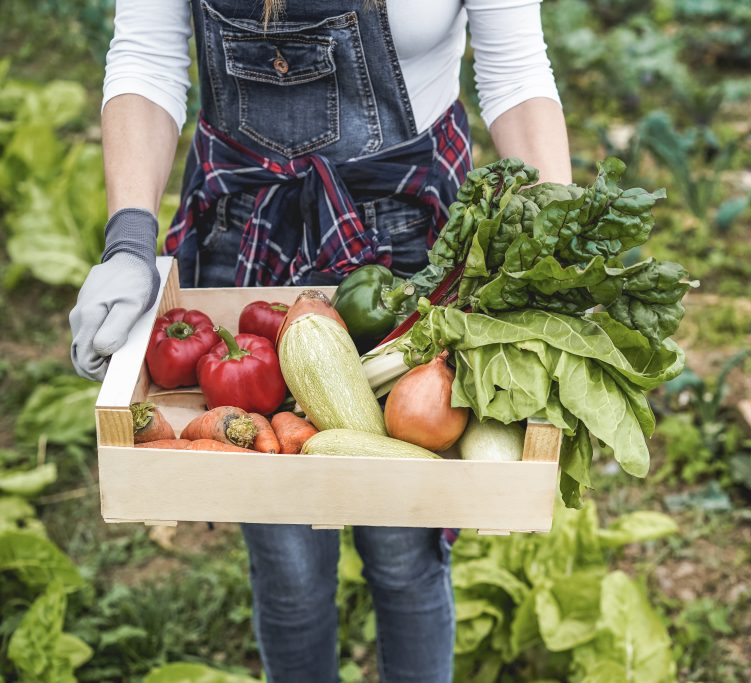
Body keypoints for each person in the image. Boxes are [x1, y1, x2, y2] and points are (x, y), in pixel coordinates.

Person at [68, 1, 571, 681]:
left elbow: (514, 70)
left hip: (409, 230)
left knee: (404, 548)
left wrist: (558, 244)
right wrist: (128, 240)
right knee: (287, 565)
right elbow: (148, 55)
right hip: (251, 227)